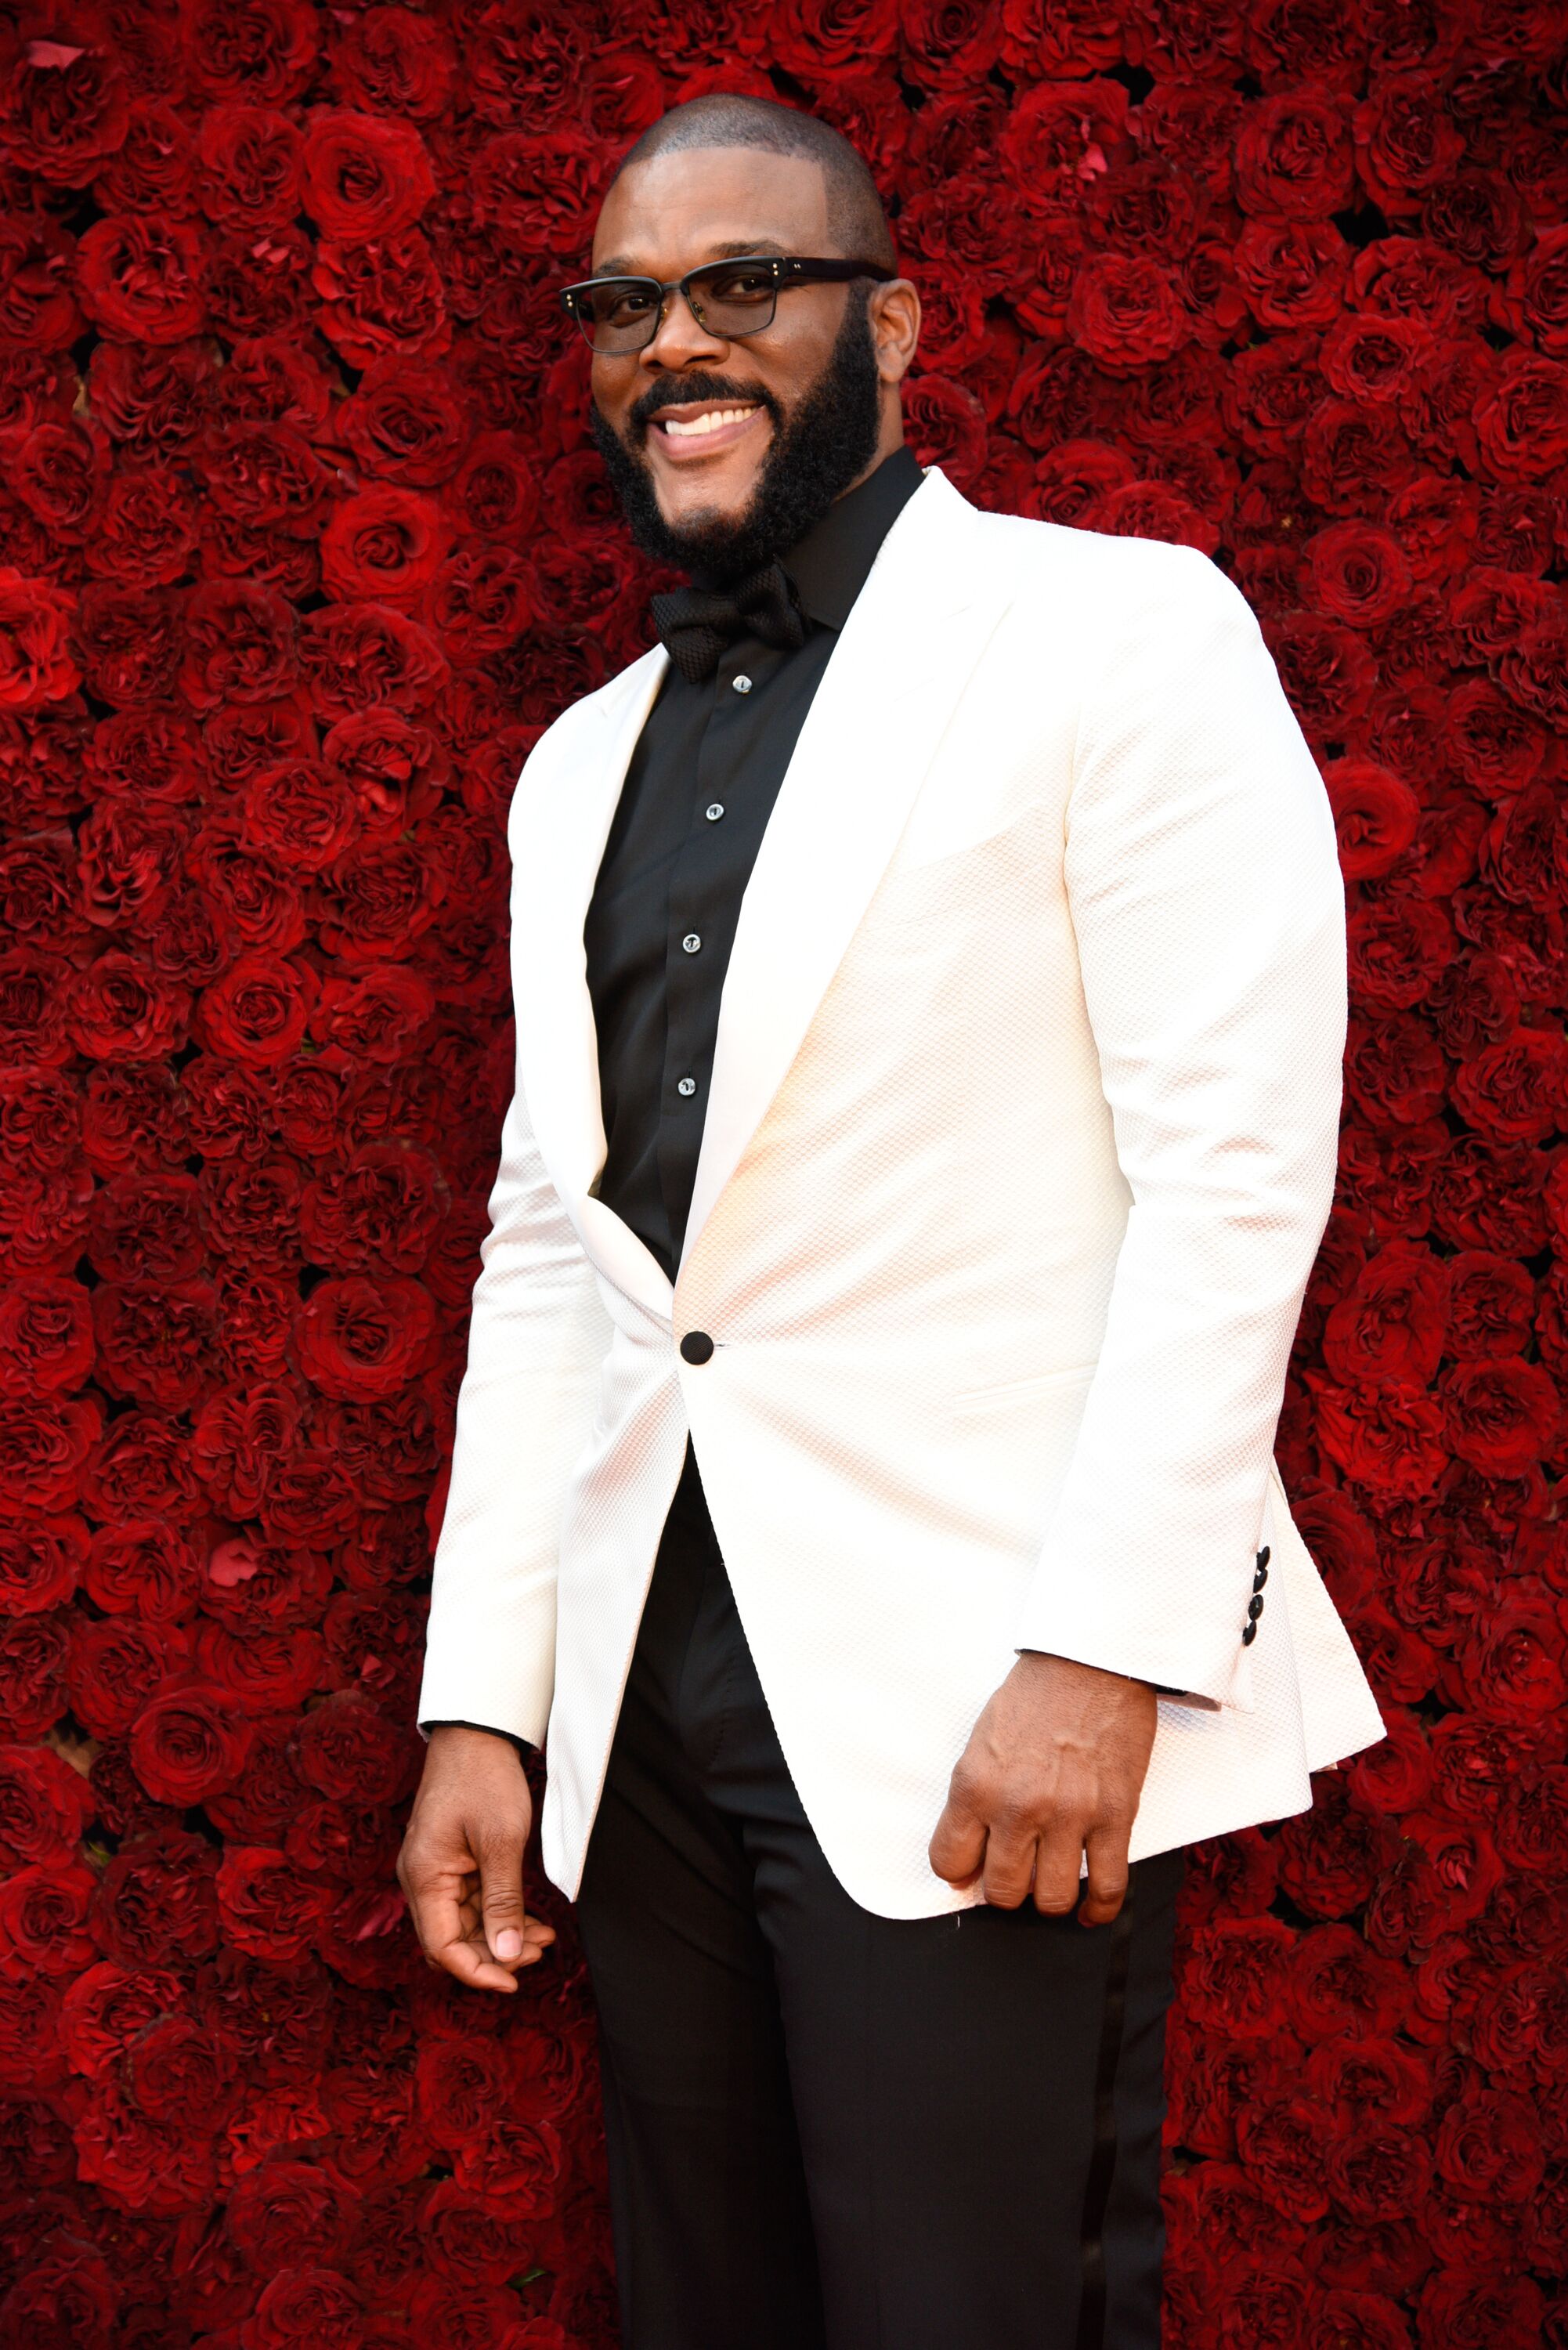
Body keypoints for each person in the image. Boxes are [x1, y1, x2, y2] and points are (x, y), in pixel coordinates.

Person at [398, 93, 1385, 2350]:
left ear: (892, 322)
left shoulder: (1112, 633)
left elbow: (1234, 1172)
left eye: (743, 283)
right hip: (644, 1701)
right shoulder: (577, 762)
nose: (677, 342)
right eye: (624, 305)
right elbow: (557, 1250)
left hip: (980, 1705)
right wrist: (491, 1701)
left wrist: (1109, 1649)